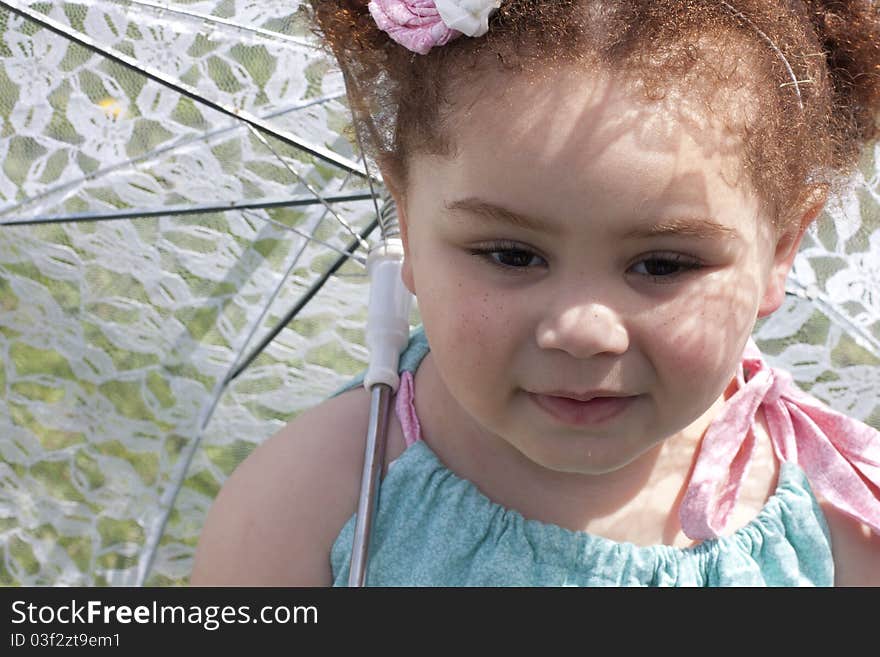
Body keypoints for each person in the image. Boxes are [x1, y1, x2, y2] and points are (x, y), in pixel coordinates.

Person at [190, 0, 880, 586]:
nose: (583, 330)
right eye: (511, 254)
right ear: (406, 220)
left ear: (782, 248)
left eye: (663, 264)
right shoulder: (315, 504)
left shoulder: (842, 519)